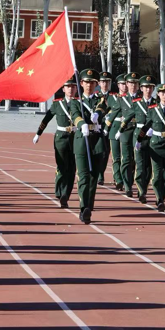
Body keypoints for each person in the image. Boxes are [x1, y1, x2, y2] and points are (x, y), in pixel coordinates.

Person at [136, 83, 165, 211]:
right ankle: (159, 199)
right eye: (162, 93)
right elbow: (146, 125)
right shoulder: (153, 109)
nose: (164, 95)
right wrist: (139, 139)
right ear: (158, 94)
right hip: (156, 145)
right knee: (157, 175)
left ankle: (162, 196)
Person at [33, 77, 78, 208]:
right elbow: (46, 119)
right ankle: (59, 190)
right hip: (61, 138)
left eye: (73, 87)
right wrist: (38, 133)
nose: (70, 89)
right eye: (68, 87)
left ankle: (65, 195)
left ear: (76, 89)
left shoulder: (80, 103)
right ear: (63, 89)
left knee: (72, 168)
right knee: (62, 166)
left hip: (75, 137)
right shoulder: (57, 104)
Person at [70, 69, 108, 224]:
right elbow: (74, 114)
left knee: (93, 176)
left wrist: (97, 114)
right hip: (82, 140)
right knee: (84, 176)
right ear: (81, 83)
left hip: (97, 140)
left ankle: (89, 205)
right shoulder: (75, 101)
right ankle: (83, 208)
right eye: (86, 82)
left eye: (92, 83)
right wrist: (81, 124)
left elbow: (102, 106)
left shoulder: (100, 99)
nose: (89, 85)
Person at [119, 75, 156, 204]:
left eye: (150, 87)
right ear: (142, 88)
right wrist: (120, 130)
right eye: (145, 87)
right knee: (139, 164)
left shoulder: (156, 103)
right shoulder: (137, 103)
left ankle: (144, 188)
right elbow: (128, 116)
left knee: (148, 166)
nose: (148, 90)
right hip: (138, 135)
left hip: (152, 136)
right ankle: (141, 191)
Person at [113, 71, 140, 198]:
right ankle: (127, 185)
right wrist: (106, 127)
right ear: (127, 84)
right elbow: (114, 112)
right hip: (125, 130)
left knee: (137, 159)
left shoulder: (142, 99)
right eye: (130, 83)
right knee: (126, 159)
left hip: (138, 130)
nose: (133, 85)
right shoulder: (121, 98)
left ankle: (135, 182)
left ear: (138, 85)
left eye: (135, 83)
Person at [105, 73, 127, 190]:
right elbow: (105, 111)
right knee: (116, 156)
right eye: (122, 84)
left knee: (126, 157)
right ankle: (118, 179)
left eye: (126, 84)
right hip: (114, 127)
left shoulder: (131, 98)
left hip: (127, 129)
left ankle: (125, 178)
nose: (124, 86)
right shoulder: (111, 98)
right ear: (118, 85)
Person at [96, 71, 112, 186]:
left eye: (107, 82)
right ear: (99, 83)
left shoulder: (114, 97)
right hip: (97, 127)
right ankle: (97, 173)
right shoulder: (96, 96)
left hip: (109, 128)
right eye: (102, 82)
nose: (105, 84)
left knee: (106, 152)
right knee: (97, 151)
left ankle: (101, 173)